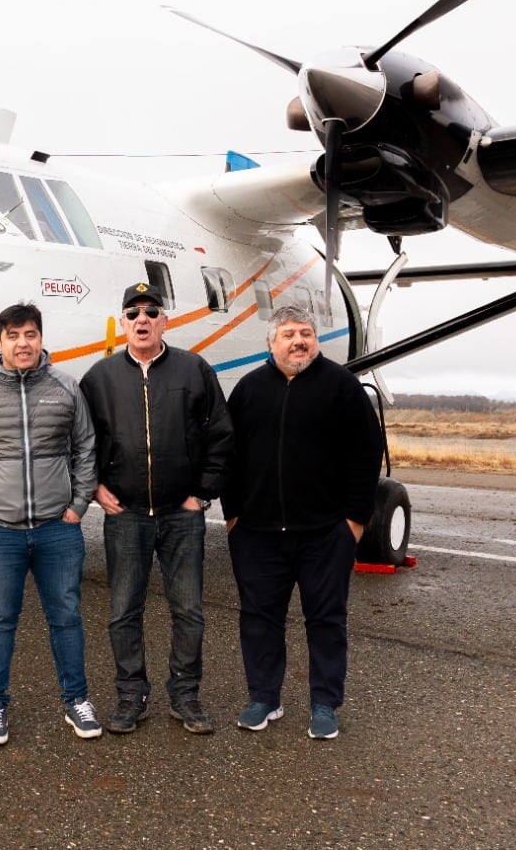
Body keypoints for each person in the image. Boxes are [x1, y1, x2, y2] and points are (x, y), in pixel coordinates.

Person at [221, 304, 384, 740]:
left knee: (326, 619)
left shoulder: (342, 388)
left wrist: (353, 522)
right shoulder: (249, 390)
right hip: (256, 534)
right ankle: (264, 698)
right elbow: (228, 456)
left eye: (306, 333)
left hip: (324, 534)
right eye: (290, 334)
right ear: (271, 343)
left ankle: (325, 704)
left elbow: (367, 455)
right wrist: (233, 515)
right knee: (259, 618)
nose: (299, 341)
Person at [79, 282, 233, 735]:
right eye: (133, 313)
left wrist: (202, 492)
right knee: (124, 610)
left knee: (188, 610)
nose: (142, 319)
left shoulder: (194, 370)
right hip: (125, 515)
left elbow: (220, 435)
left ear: (165, 321)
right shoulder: (100, 378)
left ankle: (185, 695)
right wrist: (93, 488)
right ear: (122, 323)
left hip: (181, 515)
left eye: (151, 311)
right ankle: (131, 695)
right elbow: (80, 441)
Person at [0, 301, 100, 746]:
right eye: (13, 336)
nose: (22, 343)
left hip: (57, 527)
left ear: (40, 339)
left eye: (30, 334)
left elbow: (86, 447)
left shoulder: (66, 388)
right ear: (0, 342)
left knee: (67, 617)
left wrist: (77, 506)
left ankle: (77, 700)